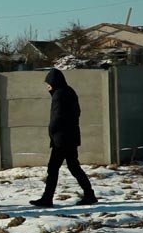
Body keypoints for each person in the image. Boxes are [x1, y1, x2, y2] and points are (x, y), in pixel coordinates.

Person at [30, 69, 98, 207]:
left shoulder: (59, 95)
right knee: (74, 167)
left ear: (54, 82)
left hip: (62, 138)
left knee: (53, 168)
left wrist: (52, 132)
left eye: (48, 83)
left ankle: (47, 199)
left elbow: (57, 117)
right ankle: (89, 195)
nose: (47, 86)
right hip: (71, 136)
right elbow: (77, 112)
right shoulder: (69, 91)